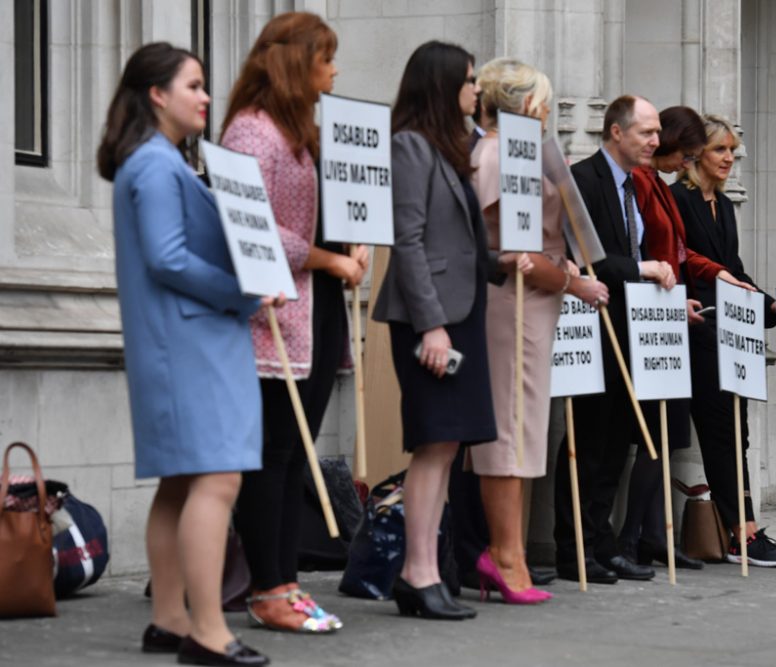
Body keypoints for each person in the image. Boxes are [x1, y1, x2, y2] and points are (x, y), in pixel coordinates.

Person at [97, 42, 270, 665]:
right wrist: (242, 290)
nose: (205, 97)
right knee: (217, 479)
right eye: (193, 86)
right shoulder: (155, 165)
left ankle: (170, 619)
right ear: (156, 95)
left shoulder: (153, 161)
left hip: (181, 340)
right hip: (189, 341)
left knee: (180, 483)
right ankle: (205, 629)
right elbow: (167, 258)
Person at [220, 12, 369, 633]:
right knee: (272, 454)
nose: (334, 71)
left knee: (289, 456)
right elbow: (249, 219)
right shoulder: (252, 132)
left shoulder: (299, 130)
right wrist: (331, 257)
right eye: (325, 58)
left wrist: (355, 242)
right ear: (296, 62)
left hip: (312, 315)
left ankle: (284, 582)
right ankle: (267, 586)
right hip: (271, 318)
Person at [372, 40, 529, 620]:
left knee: (449, 445)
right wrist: (431, 326)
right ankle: (417, 572)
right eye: (467, 81)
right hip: (432, 318)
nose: (476, 92)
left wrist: (497, 262)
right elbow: (408, 240)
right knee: (433, 444)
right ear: (441, 87)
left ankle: (426, 571)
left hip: (461, 309)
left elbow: (453, 238)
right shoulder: (410, 146)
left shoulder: (447, 147)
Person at [468, 58, 609, 603]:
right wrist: (572, 282)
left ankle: (511, 551)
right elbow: (513, 251)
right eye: (544, 101)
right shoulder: (501, 153)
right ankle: (504, 554)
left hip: (534, 303)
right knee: (511, 424)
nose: (549, 111)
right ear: (525, 103)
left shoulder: (519, 152)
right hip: (513, 304)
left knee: (525, 426)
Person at [619, 105, 756, 570]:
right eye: (700, 151)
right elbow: (650, 253)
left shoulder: (657, 184)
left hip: (678, 316)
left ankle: (653, 537)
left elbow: (682, 255)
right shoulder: (645, 184)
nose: (664, 148)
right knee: (656, 435)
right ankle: (629, 540)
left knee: (670, 434)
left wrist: (739, 286)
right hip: (654, 319)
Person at [552, 95, 677, 585]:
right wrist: (642, 268)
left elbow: (632, 249)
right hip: (593, 326)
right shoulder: (583, 179)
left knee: (614, 447)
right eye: (646, 132)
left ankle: (601, 543)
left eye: (657, 132)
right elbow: (589, 259)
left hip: (632, 332)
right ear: (616, 132)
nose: (655, 141)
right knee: (587, 441)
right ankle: (573, 547)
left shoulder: (635, 187)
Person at [671, 113, 776, 567]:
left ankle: (741, 527)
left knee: (736, 430)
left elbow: (735, 272)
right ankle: (741, 531)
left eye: (733, 150)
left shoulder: (723, 206)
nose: (730, 157)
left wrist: (773, 306)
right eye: (720, 150)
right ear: (696, 156)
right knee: (721, 431)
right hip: (698, 329)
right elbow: (685, 264)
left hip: (733, 333)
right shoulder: (678, 199)